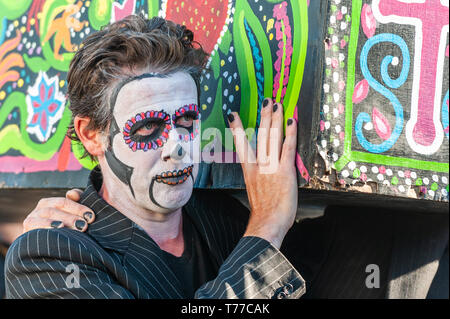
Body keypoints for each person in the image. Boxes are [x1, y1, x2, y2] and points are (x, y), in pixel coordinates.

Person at [4, 15, 304, 299]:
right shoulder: (46, 256)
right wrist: (266, 229)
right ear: (92, 134)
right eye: (148, 126)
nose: (177, 147)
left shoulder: (228, 219)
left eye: (186, 119)